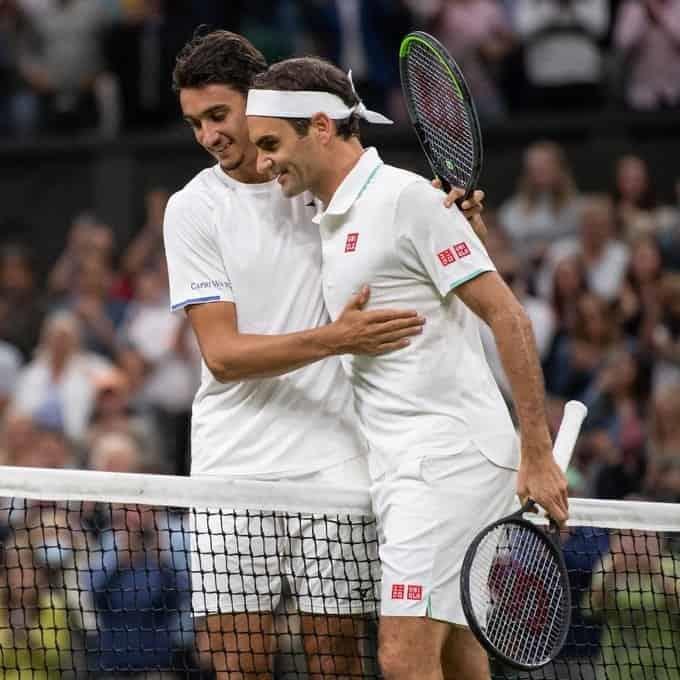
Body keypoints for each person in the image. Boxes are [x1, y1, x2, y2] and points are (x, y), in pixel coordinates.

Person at [164, 30, 488, 680]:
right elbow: (223, 354)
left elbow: (427, 258)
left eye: (219, 116)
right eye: (195, 123)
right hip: (234, 469)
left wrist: (456, 220)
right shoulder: (192, 209)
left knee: (336, 659)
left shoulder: (335, 186)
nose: (209, 136)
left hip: (340, 460)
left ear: (258, 102)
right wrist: (337, 338)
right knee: (240, 665)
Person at [246, 56, 569, 680]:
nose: (263, 163)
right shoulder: (335, 212)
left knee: (401, 656)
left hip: (448, 459)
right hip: (402, 465)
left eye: (271, 144)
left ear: (319, 126)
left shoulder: (405, 199)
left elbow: (510, 318)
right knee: (456, 654)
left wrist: (537, 450)